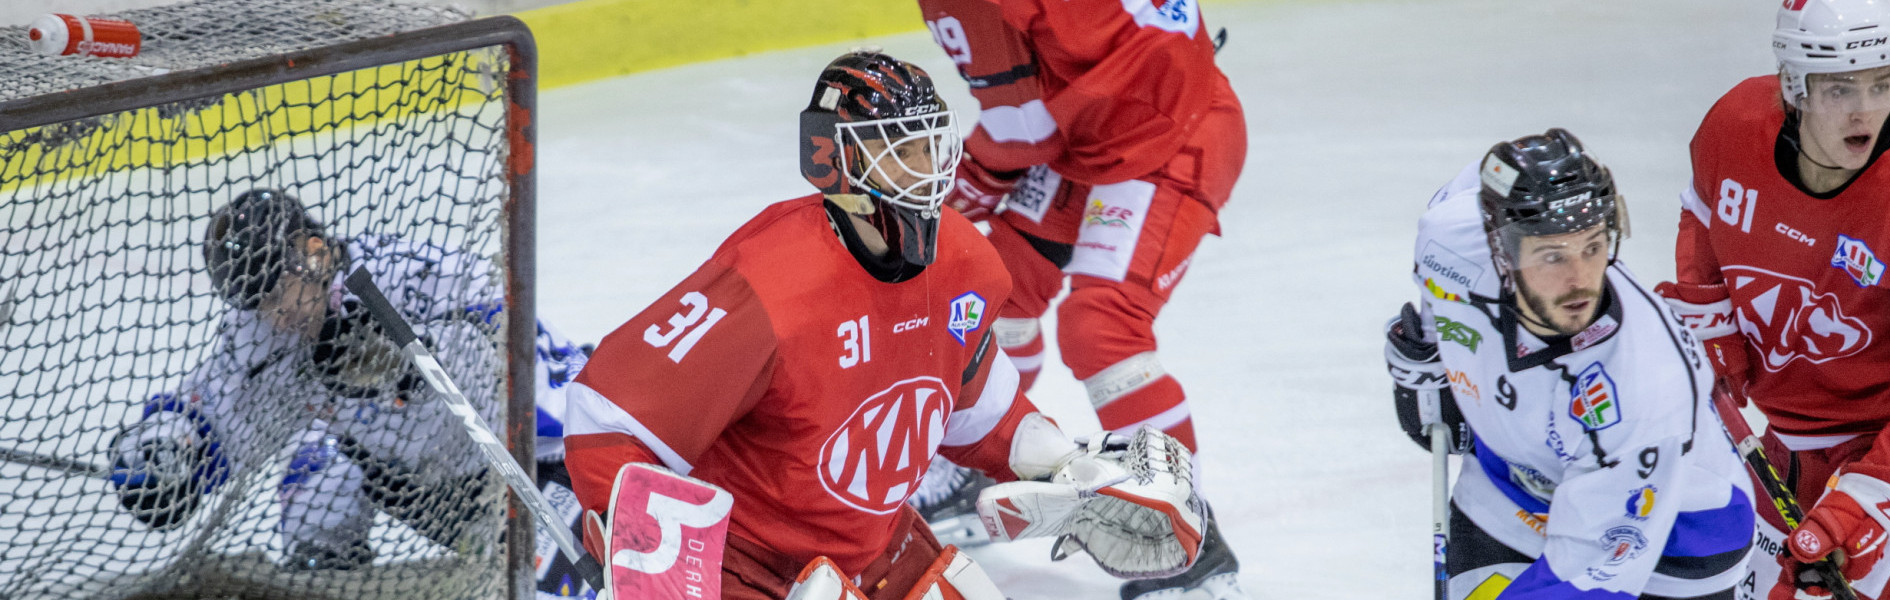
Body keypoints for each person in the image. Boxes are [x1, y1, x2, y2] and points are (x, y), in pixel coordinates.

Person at [560, 50, 1209, 600]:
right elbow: (609, 419)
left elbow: (969, 398)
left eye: (931, 145)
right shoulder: (766, 281)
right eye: (901, 152)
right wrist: (661, 565)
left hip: (869, 550)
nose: (927, 169)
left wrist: (1063, 466)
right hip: (744, 567)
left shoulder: (964, 259)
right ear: (833, 161)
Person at [905, 1, 1248, 596]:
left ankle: (1188, 544)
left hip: (1167, 138)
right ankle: (962, 468)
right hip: (1100, 129)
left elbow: (1022, 128)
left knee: (1104, 329)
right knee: (990, 295)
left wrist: (943, 203)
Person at [106, 188, 594, 597]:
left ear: (312, 251)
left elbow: (520, 353)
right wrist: (166, 453)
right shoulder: (264, 334)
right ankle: (336, 575)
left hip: (545, 460)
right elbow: (217, 413)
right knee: (315, 472)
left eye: (278, 293)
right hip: (437, 493)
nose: (276, 315)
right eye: (259, 304)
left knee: (569, 586)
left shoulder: (408, 274)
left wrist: (412, 365)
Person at [1392, 129, 1754, 599]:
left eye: (1591, 246)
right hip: (1509, 497)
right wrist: (1432, 355)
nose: (1580, 279)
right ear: (1500, 248)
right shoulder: (1450, 239)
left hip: (1672, 548)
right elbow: (1448, 263)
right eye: (1551, 255)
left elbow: (1586, 581)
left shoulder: (1645, 386)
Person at [1662, 0, 1890, 597]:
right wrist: (1711, 323)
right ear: (1794, 87)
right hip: (1778, 450)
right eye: (1840, 89)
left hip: (1887, 463)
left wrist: (1869, 497)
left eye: (1883, 83)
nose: (1866, 110)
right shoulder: (1732, 126)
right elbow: (1703, 218)